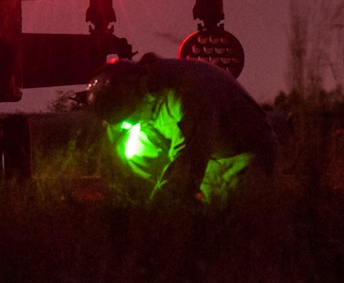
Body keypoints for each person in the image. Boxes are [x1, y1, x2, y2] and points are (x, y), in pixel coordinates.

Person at [85, 55, 278, 205]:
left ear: (143, 89)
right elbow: (118, 151)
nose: (128, 125)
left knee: (229, 219)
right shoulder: (139, 100)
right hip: (206, 154)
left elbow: (191, 153)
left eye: (130, 118)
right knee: (129, 145)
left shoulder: (190, 88)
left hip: (243, 155)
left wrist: (159, 211)